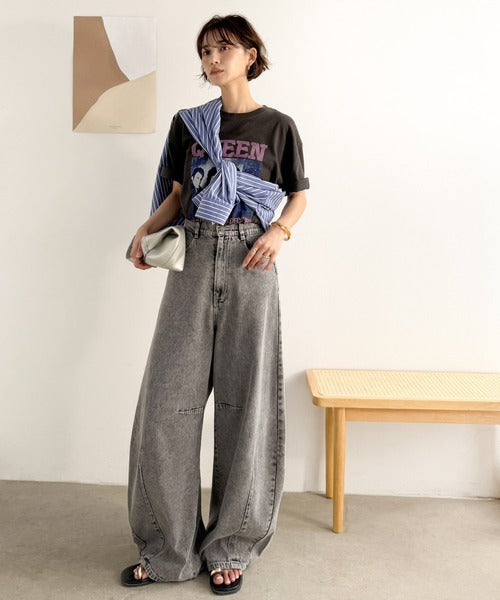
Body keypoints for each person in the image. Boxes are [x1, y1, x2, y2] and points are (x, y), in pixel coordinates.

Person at [120, 14, 309, 595]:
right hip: (195, 257)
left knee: (246, 404)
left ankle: (231, 546)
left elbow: (298, 195)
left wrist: (280, 231)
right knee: (167, 404)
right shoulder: (189, 124)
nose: (213, 59)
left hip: (253, 259)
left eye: (224, 47)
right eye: (205, 51)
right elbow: (179, 196)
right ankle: (169, 549)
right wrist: (146, 231)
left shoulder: (279, 126)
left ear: (251, 54)